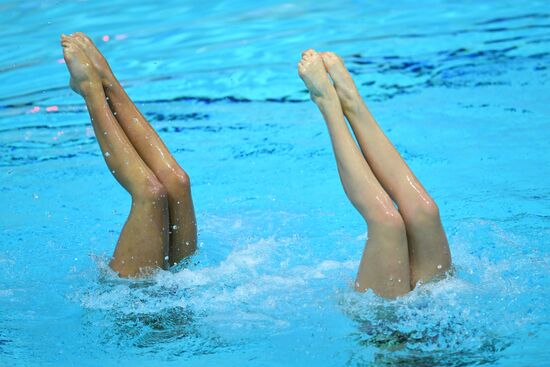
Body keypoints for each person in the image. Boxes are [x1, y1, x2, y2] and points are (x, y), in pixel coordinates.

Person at [298, 49, 451, 298]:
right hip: (441, 312)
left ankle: (327, 103)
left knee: (387, 223)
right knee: (425, 212)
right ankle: (352, 103)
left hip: (386, 331)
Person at [61, 33, 197, 277]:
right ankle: (107, 82)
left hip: (134, 304)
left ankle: (91, 90)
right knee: (177, 182)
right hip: (179, 297)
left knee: (150, 193)